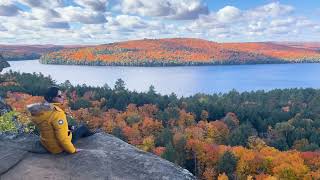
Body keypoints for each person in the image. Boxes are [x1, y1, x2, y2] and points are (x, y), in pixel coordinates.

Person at [27, 86, 94, 154]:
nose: (63, 97)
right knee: (83, 128)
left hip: (45, 143)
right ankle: (94, 136)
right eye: (59, 96)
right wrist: (72, 150)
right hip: (58, 148)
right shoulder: (57, 113)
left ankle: (71, 128)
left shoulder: (38, 110)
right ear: (52, 98)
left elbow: (49, 125)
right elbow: (62, 138)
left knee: (70, 126)